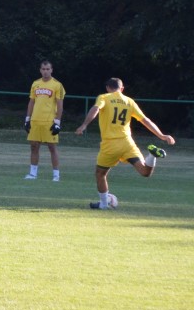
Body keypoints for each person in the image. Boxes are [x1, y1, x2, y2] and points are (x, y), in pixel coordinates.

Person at [75, 77, 175, 210]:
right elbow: (145, 120)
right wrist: (162, 135)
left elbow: (95, 109)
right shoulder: (129, 101)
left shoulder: (104, 97)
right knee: (145, 172)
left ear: (108, 88)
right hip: (127, 143)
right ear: (122, 89)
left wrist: (84, 125)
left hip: (110, 144)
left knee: (100, 174)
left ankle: (104, 204)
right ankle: (152, 156)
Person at [23, 60, 65, 181]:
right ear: (40, 70)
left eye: (48, 69)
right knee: (34, 146)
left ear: (51, 70)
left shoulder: (57, 85)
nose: (45, 71)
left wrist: (57, 122)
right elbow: (31, 102)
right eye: (43, 69)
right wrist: (27, 119)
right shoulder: (35, 83)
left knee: (52, 147)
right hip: (35, 120)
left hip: (49, 121)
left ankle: (56, 175)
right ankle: (33, 173)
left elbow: (60, 105)